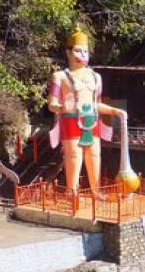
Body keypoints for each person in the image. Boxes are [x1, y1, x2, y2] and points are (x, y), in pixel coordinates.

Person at [47, 27, 126, 194]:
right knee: (74, 156)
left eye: (85, 51)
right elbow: (51, 103)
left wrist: (116, 111)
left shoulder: (96, 77)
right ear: (68, 53)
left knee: (95, 155)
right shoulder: (59, 76)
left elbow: (97, 103)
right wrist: (59, 107)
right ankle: (71, 192)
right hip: (71, 119)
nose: (82, 54)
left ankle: (96, 191)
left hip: (92, 120)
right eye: (78, 50)